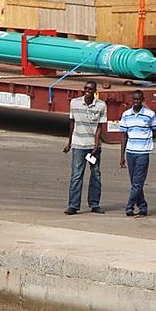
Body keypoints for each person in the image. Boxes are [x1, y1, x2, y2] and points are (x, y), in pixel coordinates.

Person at [63, 80, 107, 215]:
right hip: (78, 145)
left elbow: (100, 127)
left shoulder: (101, 105)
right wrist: (69, 143)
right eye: (86, 88)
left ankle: (94, 204)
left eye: (90, 89)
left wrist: (95, 146)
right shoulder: (75, 103)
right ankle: (73, 205)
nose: (87, 90)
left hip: (93, 147)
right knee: (76, 175)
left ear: (95, 91)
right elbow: (72, 123)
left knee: (96, 175)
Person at [118, 90, 156, 217]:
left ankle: (129, 206)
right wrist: (122, 156)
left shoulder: (149, 114)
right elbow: (124, 136)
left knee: (137, 182)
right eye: (134, 100)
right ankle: (142, 206)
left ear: (142, 100)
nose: (136, 102)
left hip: (143, 152)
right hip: (130, 152)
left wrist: (148, 139)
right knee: (135, 182)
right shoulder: (126, 115)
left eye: (138, 100)